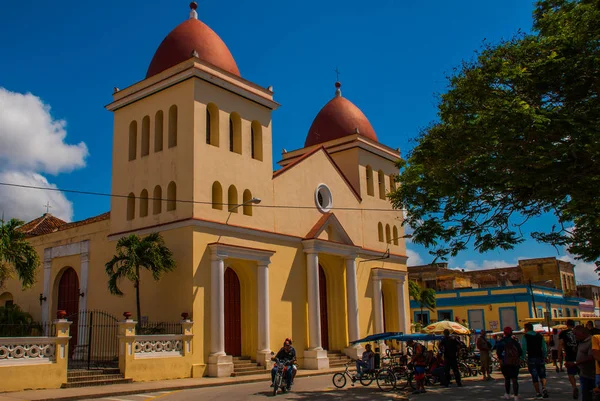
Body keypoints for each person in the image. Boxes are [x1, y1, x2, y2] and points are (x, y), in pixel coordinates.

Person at [521, 322, 549, 398]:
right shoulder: (539, 336)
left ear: (526, 329)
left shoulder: (525, 337)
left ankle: (538, 392)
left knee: (534, 375)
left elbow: (524, 348)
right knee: (542, 374)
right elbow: (544, 347)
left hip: (531, 357)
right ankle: (544, 388)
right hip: (540, 357)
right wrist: (545, 355)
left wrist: (522, 357)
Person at [496, 327, 523, 401]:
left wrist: (501, 359)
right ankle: (516, 396)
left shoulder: (501, 342)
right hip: (514, 363)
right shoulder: (515, 342)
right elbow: (520, 352)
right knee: (515, 379)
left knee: (507, 378)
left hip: (505, 363)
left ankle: (507, 394)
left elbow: (498, 353)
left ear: (504, 333)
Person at [570, 326, 595, 401]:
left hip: (592, 375)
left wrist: (575, 363)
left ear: (582, 333)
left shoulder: (592, 341)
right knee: (585, 395)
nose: (574, 336)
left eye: (575, 334)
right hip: (584, 374)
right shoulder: (580, 342)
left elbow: (591, 357)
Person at [560, 319, 580, 399]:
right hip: (580, 355)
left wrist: (559, 356)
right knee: (582, 373)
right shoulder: (578, 332)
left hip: (569, 356)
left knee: (571, 374)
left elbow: (561, 344)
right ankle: (584, 386)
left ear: (566, 324)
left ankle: (574, 387)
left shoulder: (563, 333)